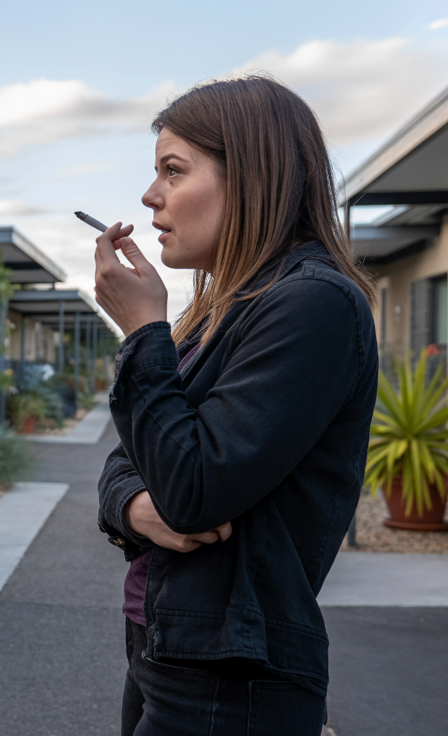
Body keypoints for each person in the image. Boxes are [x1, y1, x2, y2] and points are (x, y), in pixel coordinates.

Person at [93, 76, 378, 736]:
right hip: (161, 641)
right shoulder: (215, 315)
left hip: (228, 676)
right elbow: (121, 464)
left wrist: (141, 334)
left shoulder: (314, 306)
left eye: (172, 169)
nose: (149, 195)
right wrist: (136, 507)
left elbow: (193, 488)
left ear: (250, 176)